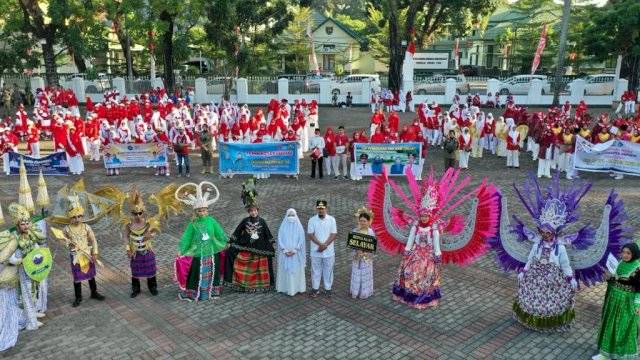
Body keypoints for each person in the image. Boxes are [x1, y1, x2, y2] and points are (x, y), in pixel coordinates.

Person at [175, 181, 228, 301]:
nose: (202, 213)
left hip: (212, 249)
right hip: (197, 251)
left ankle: (213, 292)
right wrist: (182, 250)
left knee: (213, 272)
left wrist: (226, 240)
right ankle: (194, 292)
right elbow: (186, 238)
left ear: (207, 210)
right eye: (199, 211)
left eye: (204, 210)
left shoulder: (211, 220)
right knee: (196, 272)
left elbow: (219, 232)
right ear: (195, 211)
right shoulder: (192, 224)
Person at [224, 182, 275, 292]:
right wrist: (230, 241)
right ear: (248, 212)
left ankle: (262, 284)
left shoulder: (262, 221)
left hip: (260, 246)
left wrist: (271, 242)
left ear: (258, 210)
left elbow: (267, 232)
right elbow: (237, 232)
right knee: (231, 251)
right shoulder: (245, 221)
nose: (253, 212)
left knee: (259, 266)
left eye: (255, 210)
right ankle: (243, 283)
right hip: (246, 245)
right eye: (251, 211)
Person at [595, 243, 640, 360]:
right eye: (623, 252)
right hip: (614, 299)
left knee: (623, 327)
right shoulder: (620, 263)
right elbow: (616, 279)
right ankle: (606, 353)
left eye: (628, 253)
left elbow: (639, 289)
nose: (625, 255)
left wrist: (637, 305)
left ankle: (620, 353)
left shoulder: (637, 269)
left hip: (626, 302)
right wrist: (609, 277)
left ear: (634, 254)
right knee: (610, 324)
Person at [63, 193, 105, 307]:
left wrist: (95, 252)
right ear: (69, 217)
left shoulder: (86, 227)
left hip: (87, 254)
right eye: (74, 217)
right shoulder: (66, 229)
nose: (77, 219)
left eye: (79, 216)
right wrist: (69, 243)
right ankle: (78, 297)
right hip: (76, 256)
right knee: (77, 278)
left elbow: (93, 240)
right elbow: (62, 241)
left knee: (91, 275)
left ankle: (94, 292)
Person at [122, 187, 159, 298]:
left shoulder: (148, 223)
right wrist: (128, 250)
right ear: (132, 213)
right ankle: (136, 289)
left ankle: (152, 287)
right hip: (135, 251)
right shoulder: (128, 224)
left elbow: (155, 231)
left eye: (140, 213)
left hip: (147, 250)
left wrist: (150, 235)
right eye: (135, 213)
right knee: (135, 271)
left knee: (151, 270)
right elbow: (125, 237)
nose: (138, 216)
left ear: (143, 212)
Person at [307, 200, 337, 298]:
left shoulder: (332, 219)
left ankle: (328, 289)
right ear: (316, 209)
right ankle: (315, 288)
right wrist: (320, 245)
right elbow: (310, 235)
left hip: (328, 251)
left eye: (322, 209)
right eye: (319, 209)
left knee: (328, 270)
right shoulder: (312, 220)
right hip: (316, 250)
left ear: (326, 209)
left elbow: (334, 234)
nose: (321, 211)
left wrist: (325, 245)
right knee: (316, 270)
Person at [275, 208, 306, 296]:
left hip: (296, 254)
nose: (291, 217)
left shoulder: (299, 227)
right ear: (286, 216)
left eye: (293, 215)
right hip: (284, 254)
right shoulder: (283, 227)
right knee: (285, 271)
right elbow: (280, 239)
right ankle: (284, 288)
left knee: (296, 271)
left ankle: (297, 288)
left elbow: (301, 240)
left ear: (296, 216)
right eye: (289, 215)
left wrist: (295, 250)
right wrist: (284, 250)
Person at [350, 208, 375, 299]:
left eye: (364, 221)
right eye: (360, 221)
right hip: (357, 256)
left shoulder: (371, 232)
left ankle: (364, 292)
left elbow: (372, 247)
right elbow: (352, 244)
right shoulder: (355, 231)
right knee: (357, 272)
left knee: (365, 274)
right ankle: (355, 291)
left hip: (366, 257)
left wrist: (364, 253)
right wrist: (357, 251)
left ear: (368, 222)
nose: (362, 223)